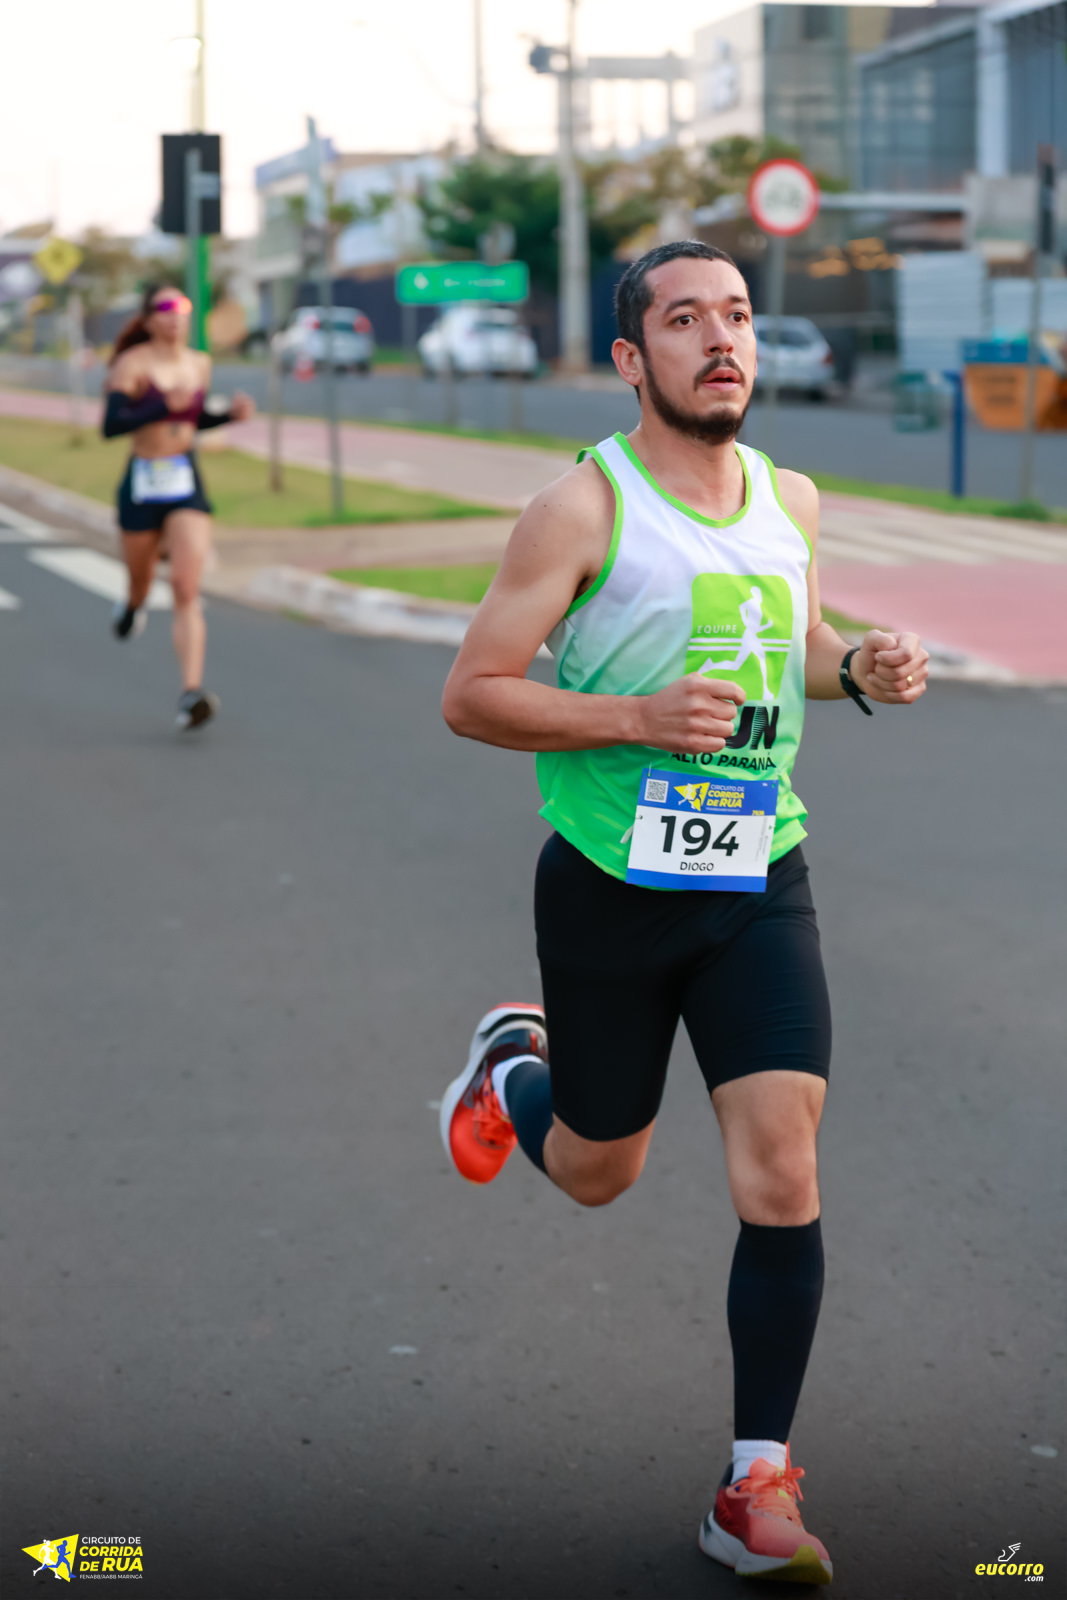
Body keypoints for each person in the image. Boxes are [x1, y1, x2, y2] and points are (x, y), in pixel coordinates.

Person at [438, 240, 929, 1587]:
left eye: (736, 316)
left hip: (756, 875)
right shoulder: (577, 510)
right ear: (627, 357)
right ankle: (513, 1066)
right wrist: (633, 717)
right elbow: (472, 692)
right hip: (610, 886)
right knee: (598, 1170)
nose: (719, 339)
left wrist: (856, 665)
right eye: (682, 320)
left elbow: (792, 651)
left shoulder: (791, 500)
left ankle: (751, 1485)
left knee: (781, 1165)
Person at [102, 284, 255, 729]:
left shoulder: (198, 363)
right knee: (141, 581)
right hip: (143, 481)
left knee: (187, 588)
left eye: (182, 308)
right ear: (149, 318)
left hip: (185, 480)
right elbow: (111, 425)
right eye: (165, 308)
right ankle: (132, 606)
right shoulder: (132, 364)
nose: (175, 316)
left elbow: (194, 418)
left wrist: (228, 416)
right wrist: (160, 408)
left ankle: (191, 693)